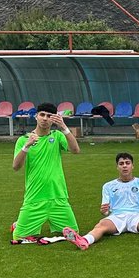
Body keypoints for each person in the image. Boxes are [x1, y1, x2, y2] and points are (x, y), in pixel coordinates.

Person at [65, 152, 139, 249]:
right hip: (116, 217)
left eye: (127, 163)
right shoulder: (108, 186)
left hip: (137, 216)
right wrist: (104, 211)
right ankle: (84, 240)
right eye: (121, 163)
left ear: (132, 166)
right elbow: (105, 211)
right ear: (117, 167)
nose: (125, 166)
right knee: (101, 225)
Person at [10, 102, 81, 241]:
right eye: (42, 115)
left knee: (74, 233)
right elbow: (16, 167)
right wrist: (27, 146)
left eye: (49, 116)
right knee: (18, 236)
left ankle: (23, 225)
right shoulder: (24, 140)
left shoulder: (58, 136)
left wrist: (64, 127)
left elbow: (75, 150)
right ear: (36, 116)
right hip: (35, 196)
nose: (45, 118)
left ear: (54, 119)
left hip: (58, 195)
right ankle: (18, 224)